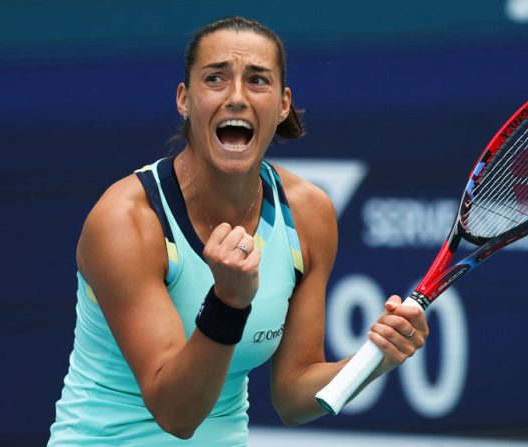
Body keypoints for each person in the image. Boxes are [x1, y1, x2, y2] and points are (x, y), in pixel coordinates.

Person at [48, 16, 428, 446]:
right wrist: (228, 303)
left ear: (283, 103)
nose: (235, 97)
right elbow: (176, 414)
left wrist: (376, 358)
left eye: (257, 80)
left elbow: (294, 394)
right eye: (215, 78)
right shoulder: (127, 220)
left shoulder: (307, 213)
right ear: (184, 99)